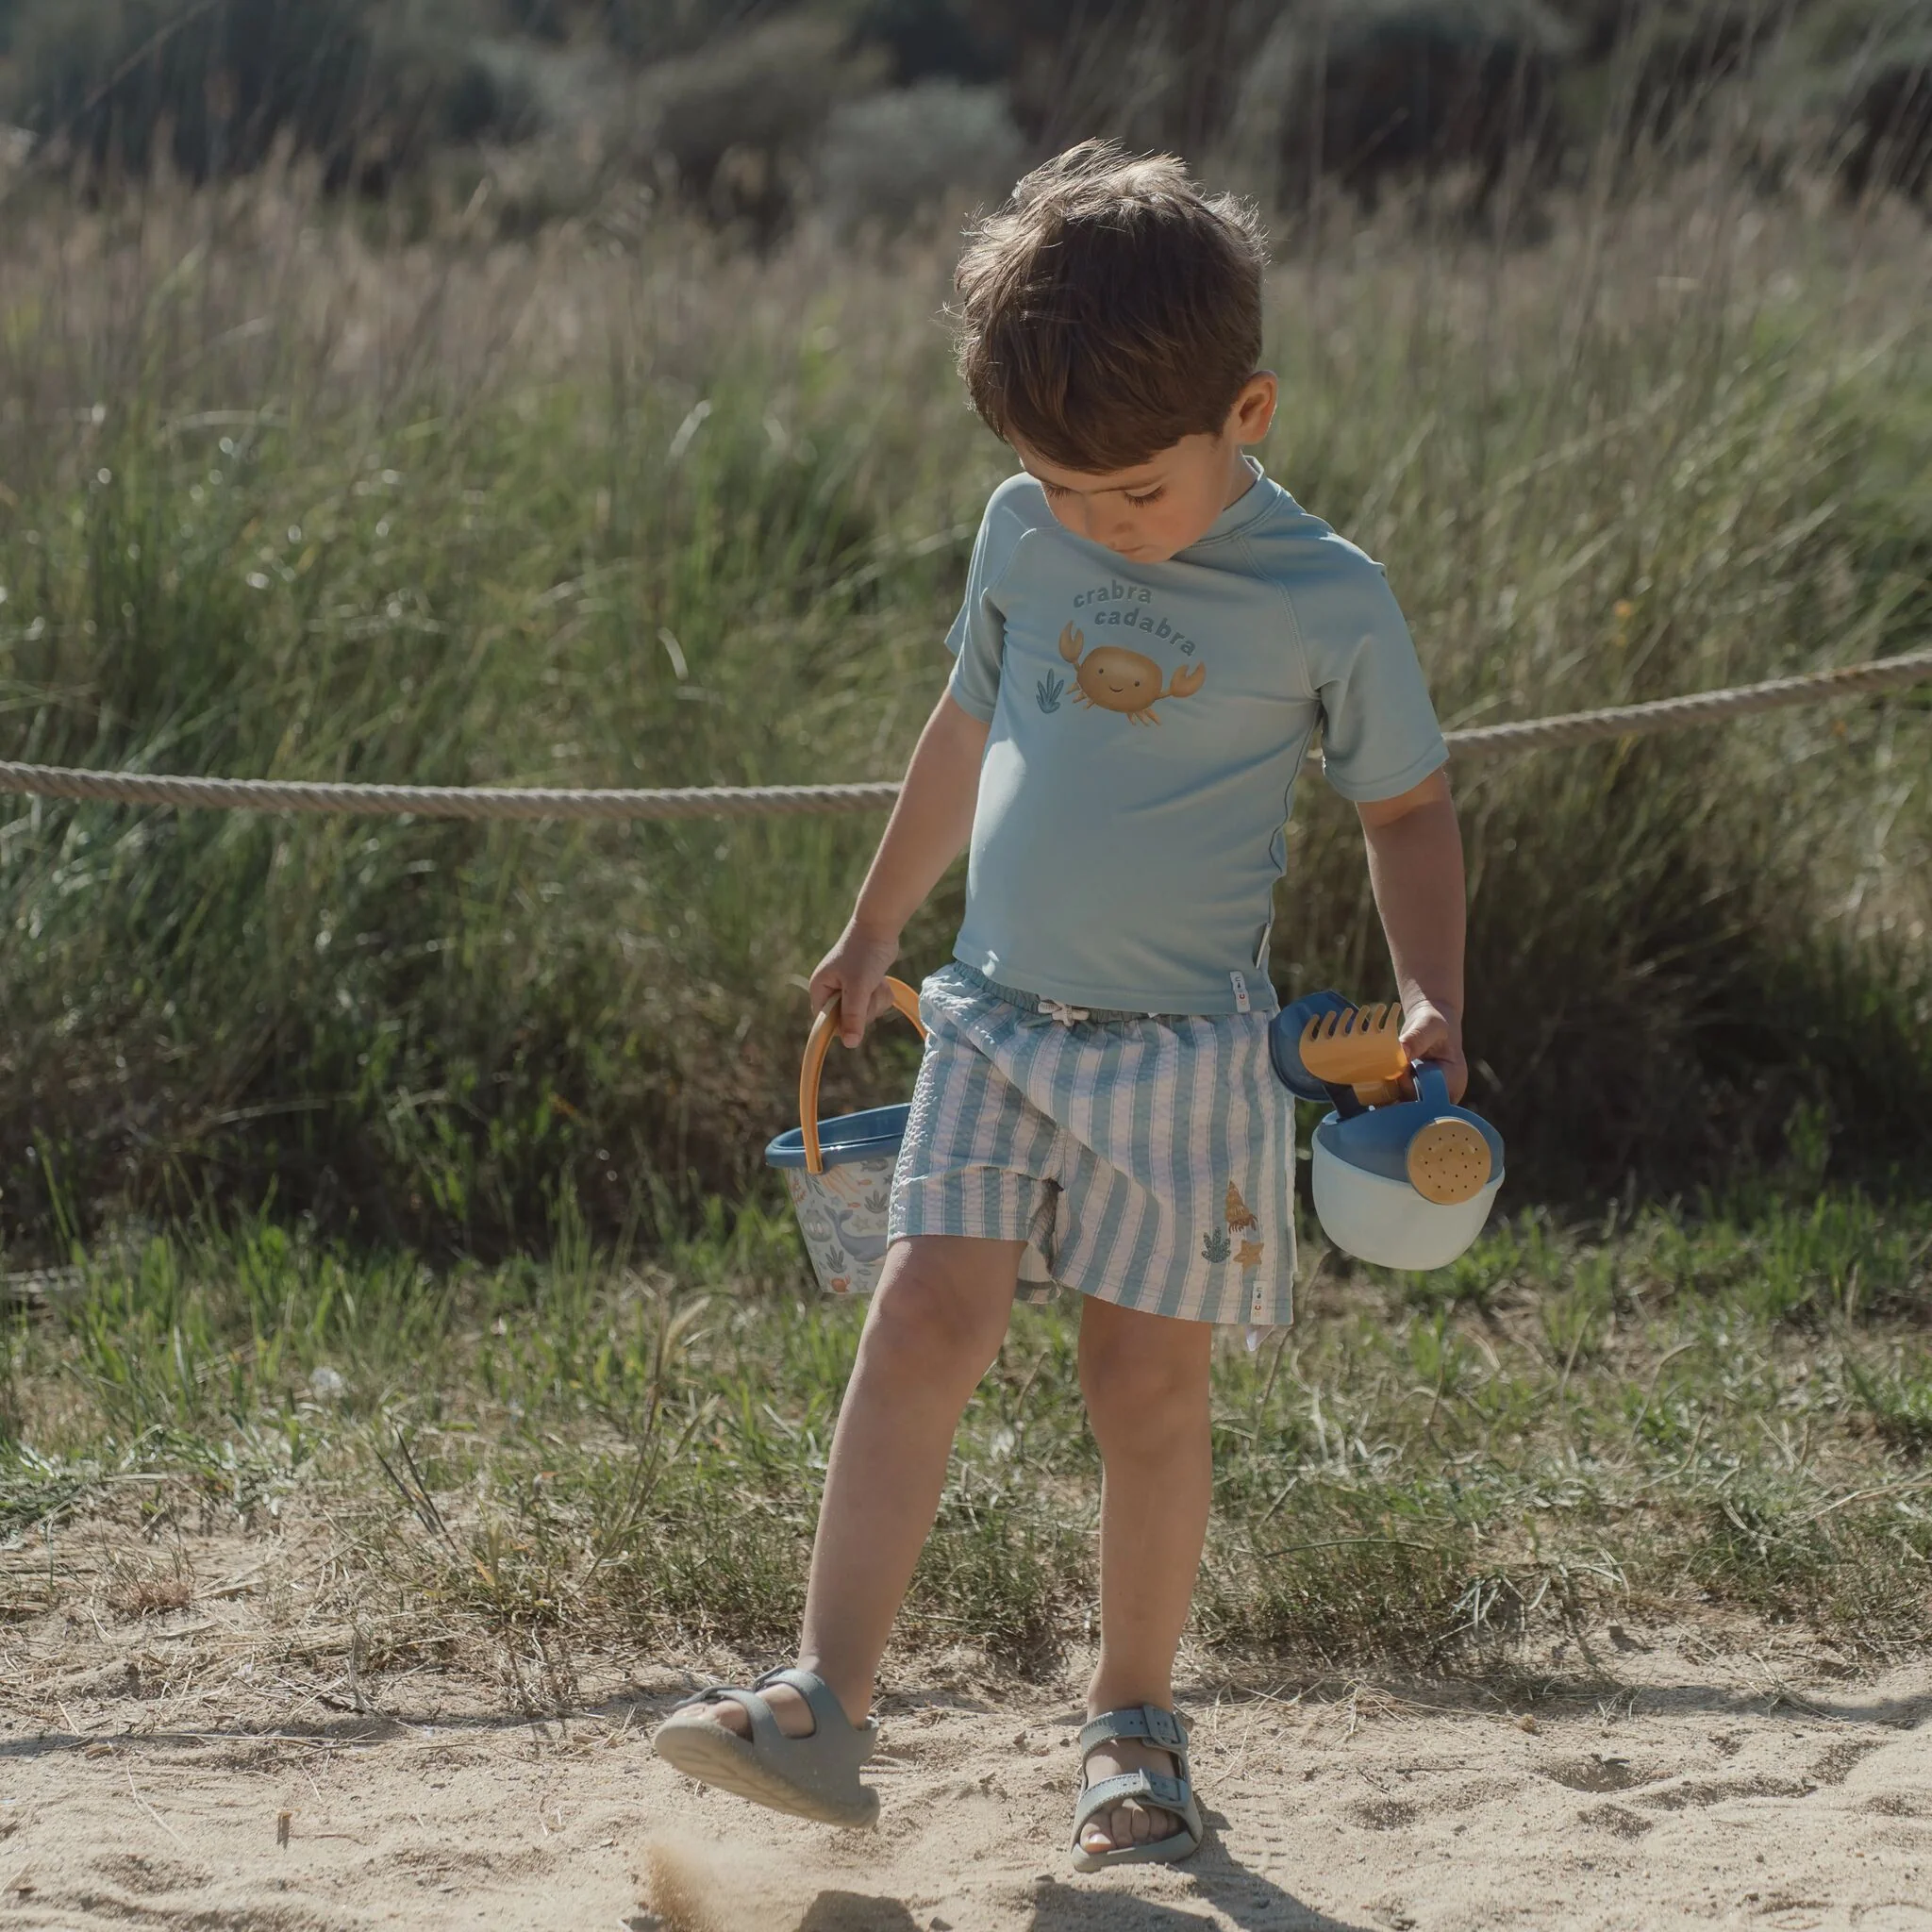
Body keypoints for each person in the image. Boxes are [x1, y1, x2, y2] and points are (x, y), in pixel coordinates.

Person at [653, 139, 1467, 1872]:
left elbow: (1404, 809)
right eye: (1060, 485)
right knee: (920, 1320)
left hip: (1189, 1056)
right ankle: (822, 1707)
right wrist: (874, 926)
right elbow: (966, 731)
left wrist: (1428, 994)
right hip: (997, 1023)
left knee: (1140, 1390)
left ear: (1247, 409)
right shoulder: (1024, 528)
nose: (1097, 521)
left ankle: (1135, 1731)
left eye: (1135, 495)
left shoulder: (1330, 596)